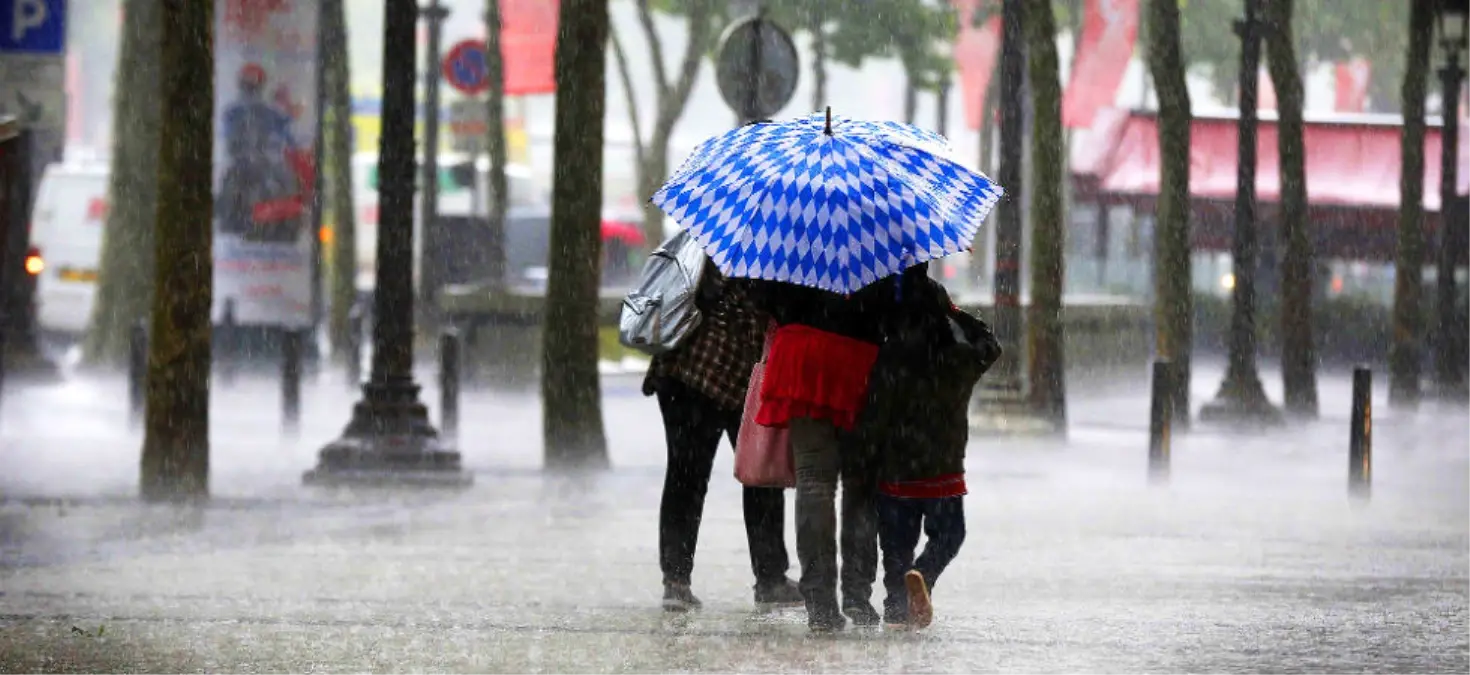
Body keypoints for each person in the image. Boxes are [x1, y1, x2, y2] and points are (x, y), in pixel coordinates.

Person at [643, 263, 802, 612]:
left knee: (688, 476)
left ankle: (678, 580)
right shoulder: (766, 257)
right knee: (757, 475)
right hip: (717, 374)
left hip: (684, 369)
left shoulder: (717, 237)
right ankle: (768, 578)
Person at [746, 277, 896, 631]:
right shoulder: (882, 231)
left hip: (802, 352)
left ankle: (820, 602)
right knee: (861, 485)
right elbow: (901, 303)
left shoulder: (790, 228)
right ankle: (857, 595)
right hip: (860, 357)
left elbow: (762, 295)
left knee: (814, 480)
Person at [856, 264, 1001, 629]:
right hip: (943, 467)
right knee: (950, 534)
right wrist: (956, 314)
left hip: (895, 468)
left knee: (895, 546)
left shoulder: (888, 357)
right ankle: (925, 573)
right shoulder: (959, 359)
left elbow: (873, 413)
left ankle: (895, 609)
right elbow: (991, 345)